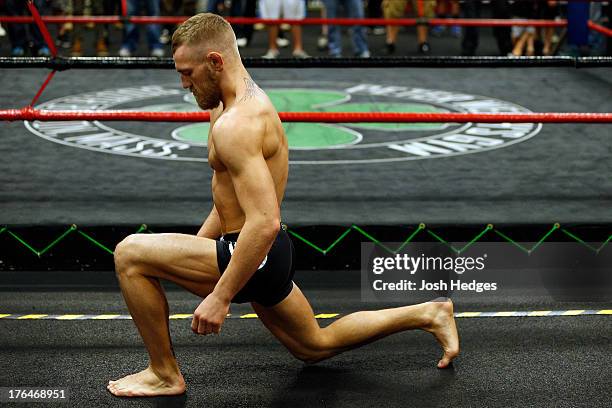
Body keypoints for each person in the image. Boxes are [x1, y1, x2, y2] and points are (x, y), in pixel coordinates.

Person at [106, 13, 459, 397]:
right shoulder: (224, 106)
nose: (183, 83)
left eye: (188, 72)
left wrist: (221, 296)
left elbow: (264, 221)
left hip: (254, 249)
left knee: (130, 254)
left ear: (216, 62)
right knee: (313, 345)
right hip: (262, 253)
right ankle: (427, 312)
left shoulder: (238, 123)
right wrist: (197, 252)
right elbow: (228, 200)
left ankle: (164, 374)